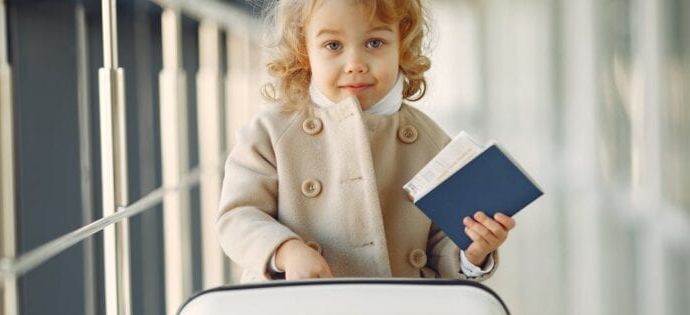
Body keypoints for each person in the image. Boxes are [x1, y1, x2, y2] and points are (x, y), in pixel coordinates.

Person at [216, 0, 516, 281]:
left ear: (403, 45)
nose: (355, 63)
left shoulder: (433, 143)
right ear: (303, 50)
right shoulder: (270, 132)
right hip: (298, 312)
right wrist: (285, 250)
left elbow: (443, 243)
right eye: (333, 45)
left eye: (375, 43)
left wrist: (473, 252)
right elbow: (238, 217)